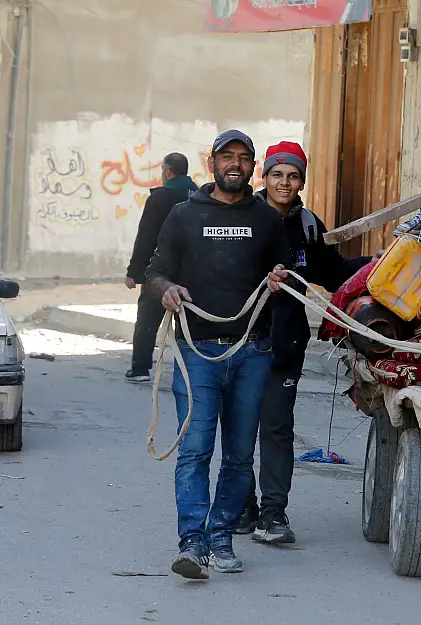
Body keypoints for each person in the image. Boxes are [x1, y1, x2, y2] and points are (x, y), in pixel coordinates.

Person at [146, 130, 290, 580]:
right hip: (196, 353)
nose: (235, 164)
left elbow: (284, 274)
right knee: (194, 449)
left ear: (253, 168)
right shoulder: (183, 215)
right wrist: (167, 290)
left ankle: (221, 536)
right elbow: (155, 272)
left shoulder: (268, 220)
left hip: (252, 352)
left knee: (240, 455)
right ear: (211, 163)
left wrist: (279, 280)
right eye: (227, 156)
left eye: (244, 158)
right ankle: (192, 542)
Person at [233, 141, 372, 544]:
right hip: (242, 343)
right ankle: (244, 507)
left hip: (286, 347)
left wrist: (376, 262)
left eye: (293, 176)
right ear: (265, 176)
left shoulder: (310, 225)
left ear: (301, 181)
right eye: (277, 174)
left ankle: (274, 514)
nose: (284, 182)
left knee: (276, 429)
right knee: (240, 429)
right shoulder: (243, 217)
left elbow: (332, 273)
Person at [123, 153, 198, 383]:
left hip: (161, 270)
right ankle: (194, 371)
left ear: (167, 171)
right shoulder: (199, 195)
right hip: (191, 271)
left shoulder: (160, 198)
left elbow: (146, 237)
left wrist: (134, 272)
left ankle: (140, 368)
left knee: (148, 318)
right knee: (189, 324)